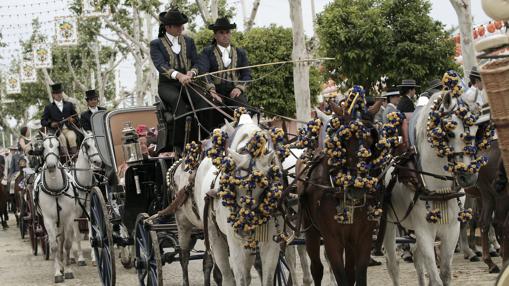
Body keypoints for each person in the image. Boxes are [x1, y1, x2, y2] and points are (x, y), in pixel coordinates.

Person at [150, 8, 208, 153]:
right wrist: (179, 76)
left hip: (188, 82)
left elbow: (197, 62)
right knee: (178, 103)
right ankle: (180, 146)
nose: (181, 28)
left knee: (203, 101)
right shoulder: (156, 44)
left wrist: (192, 72)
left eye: (182, 25)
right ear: (168, 27)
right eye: (177, 25)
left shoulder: (188, 41)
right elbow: (161, 66)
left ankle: (207, 139)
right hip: (167, 85)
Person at [195, 17, 252, 130]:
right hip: (215, 92)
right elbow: (204, 72)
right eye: (221, 33)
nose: (225, 35)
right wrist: (212, 90)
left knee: (244, 110)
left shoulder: (240, 53)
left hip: (233, 92)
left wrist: (239, 88)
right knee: (207, 110)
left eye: (227, 32)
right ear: (215, 36)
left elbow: (247, 74)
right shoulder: (207, 52)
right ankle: (210, 138)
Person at [41, 83, 80, 158]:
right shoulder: (48, 107)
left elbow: (77, 118)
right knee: (62, 138)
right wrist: (51, 123)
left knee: (72, 137)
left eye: (60, 93)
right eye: (56, 93)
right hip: (57, 131)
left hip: (69, 129)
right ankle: (65, 158)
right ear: (53, 95)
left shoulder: (69, 105)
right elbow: (43, 121)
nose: (58, 95)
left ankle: (74, 158)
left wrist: (73, 120)